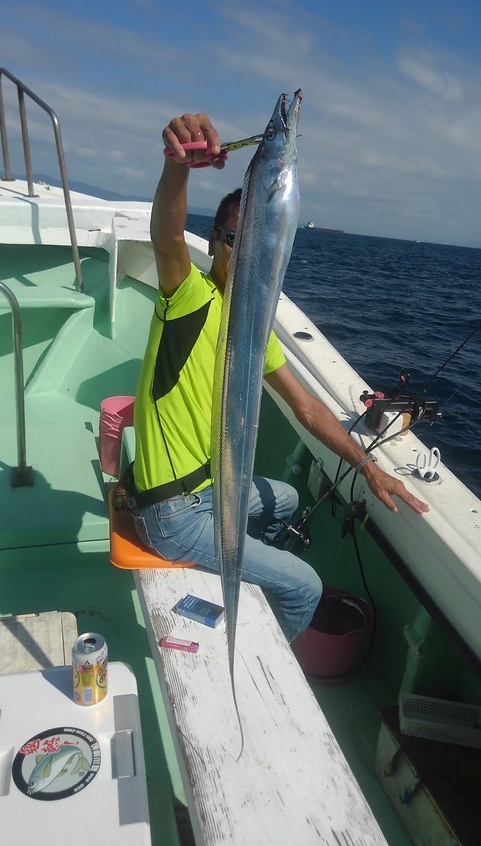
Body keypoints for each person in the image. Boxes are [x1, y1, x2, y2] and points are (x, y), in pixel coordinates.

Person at [127, 112, 429, 643]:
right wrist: (178, 168)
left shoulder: (254, 328)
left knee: (286, 500)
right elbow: (166, 233)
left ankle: (241, 574)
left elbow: (308, 409)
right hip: (173, 512)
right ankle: (259, 654)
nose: (242, 252)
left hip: (212, 487)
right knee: (306, 587)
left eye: (255, 242)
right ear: (215, 243)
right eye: (230, 239)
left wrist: (371, 470)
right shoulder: (189, 297)